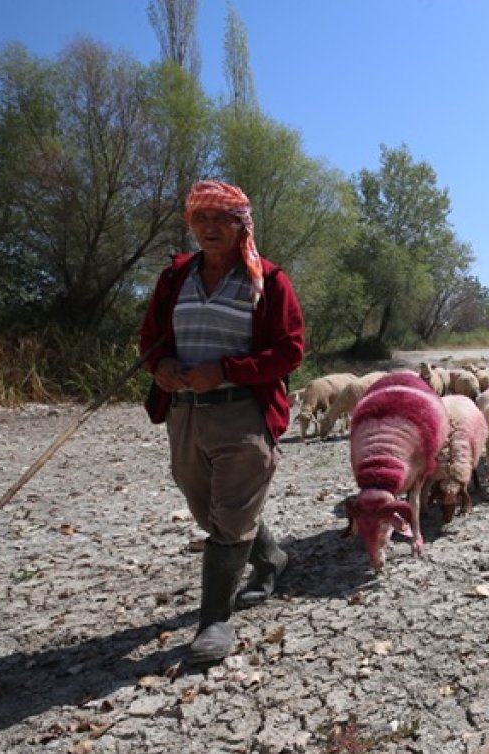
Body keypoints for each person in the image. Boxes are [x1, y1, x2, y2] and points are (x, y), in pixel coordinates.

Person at [139, 179, 305, 665]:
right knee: (206, 508)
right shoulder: (175, 279)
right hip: (185, 413)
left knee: (230, 515)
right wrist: (162, 365)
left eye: (221, 220)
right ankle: (272, 557)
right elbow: (151, 338)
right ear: (191, 225)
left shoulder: (268, 281)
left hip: (243, 414)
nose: (210, 229)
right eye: (201, 220)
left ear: (241, 226)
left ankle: (214, 619)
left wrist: (228, 371)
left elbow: (289, 351)